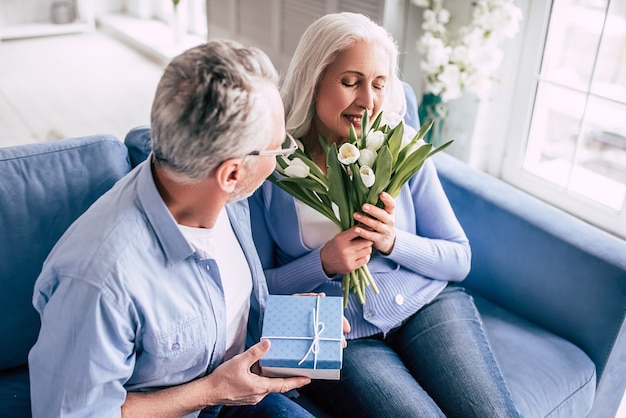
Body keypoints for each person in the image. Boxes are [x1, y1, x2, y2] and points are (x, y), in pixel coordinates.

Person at [249, 12, 521, 418]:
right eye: (350, 81)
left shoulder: (401, 146)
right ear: (313, 78)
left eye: (378, 84)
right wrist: (322, 264)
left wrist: (394, 241)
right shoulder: (271, 166)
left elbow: (459, 257)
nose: (368, 101)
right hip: (339, 334)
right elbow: (253, 292)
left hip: (426, 305)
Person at [28, 40, 317, 418]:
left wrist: (281, 319)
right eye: (278, 149)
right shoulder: (98, 280)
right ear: (231, 173)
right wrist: (212, 391)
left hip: (235, 395)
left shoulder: (226, 197)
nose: (281, 160)